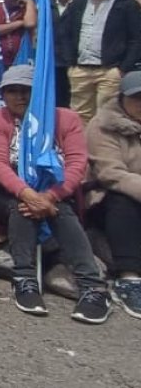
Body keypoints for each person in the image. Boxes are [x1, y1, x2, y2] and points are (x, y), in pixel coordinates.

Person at [0, 65, 110, 323]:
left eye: (27, 91)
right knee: (20, 207)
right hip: (2, 188)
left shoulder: (66, 119)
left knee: (60, 211)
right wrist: (28, 194)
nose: (20, 97)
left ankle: (92, 287)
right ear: (3, 95)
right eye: (12, 91)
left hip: (55, 189)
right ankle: (25, 278)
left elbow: (76, 163)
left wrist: (48, 197)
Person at [86, 70, 141, 319]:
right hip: (105, 197)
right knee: (123, 200)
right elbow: (111, 173)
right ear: (122, 98)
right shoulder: (102, 125)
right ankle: (128, 278)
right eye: (137, 98)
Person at [57, 0, 141, 124]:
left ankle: (103, 149)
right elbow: (64, 33)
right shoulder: (78, 2)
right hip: (80, 69)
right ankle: (81, 149)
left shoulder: (127, 4)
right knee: (78, 117)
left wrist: (122, 69)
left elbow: (136, 39)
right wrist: (70, 63)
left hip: (110, 71)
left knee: (107, 117)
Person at [52, 0, 75, 108]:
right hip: (55, 59)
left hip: (73, 58)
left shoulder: (79, 4)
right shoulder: (48, 6)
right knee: (58, 95)